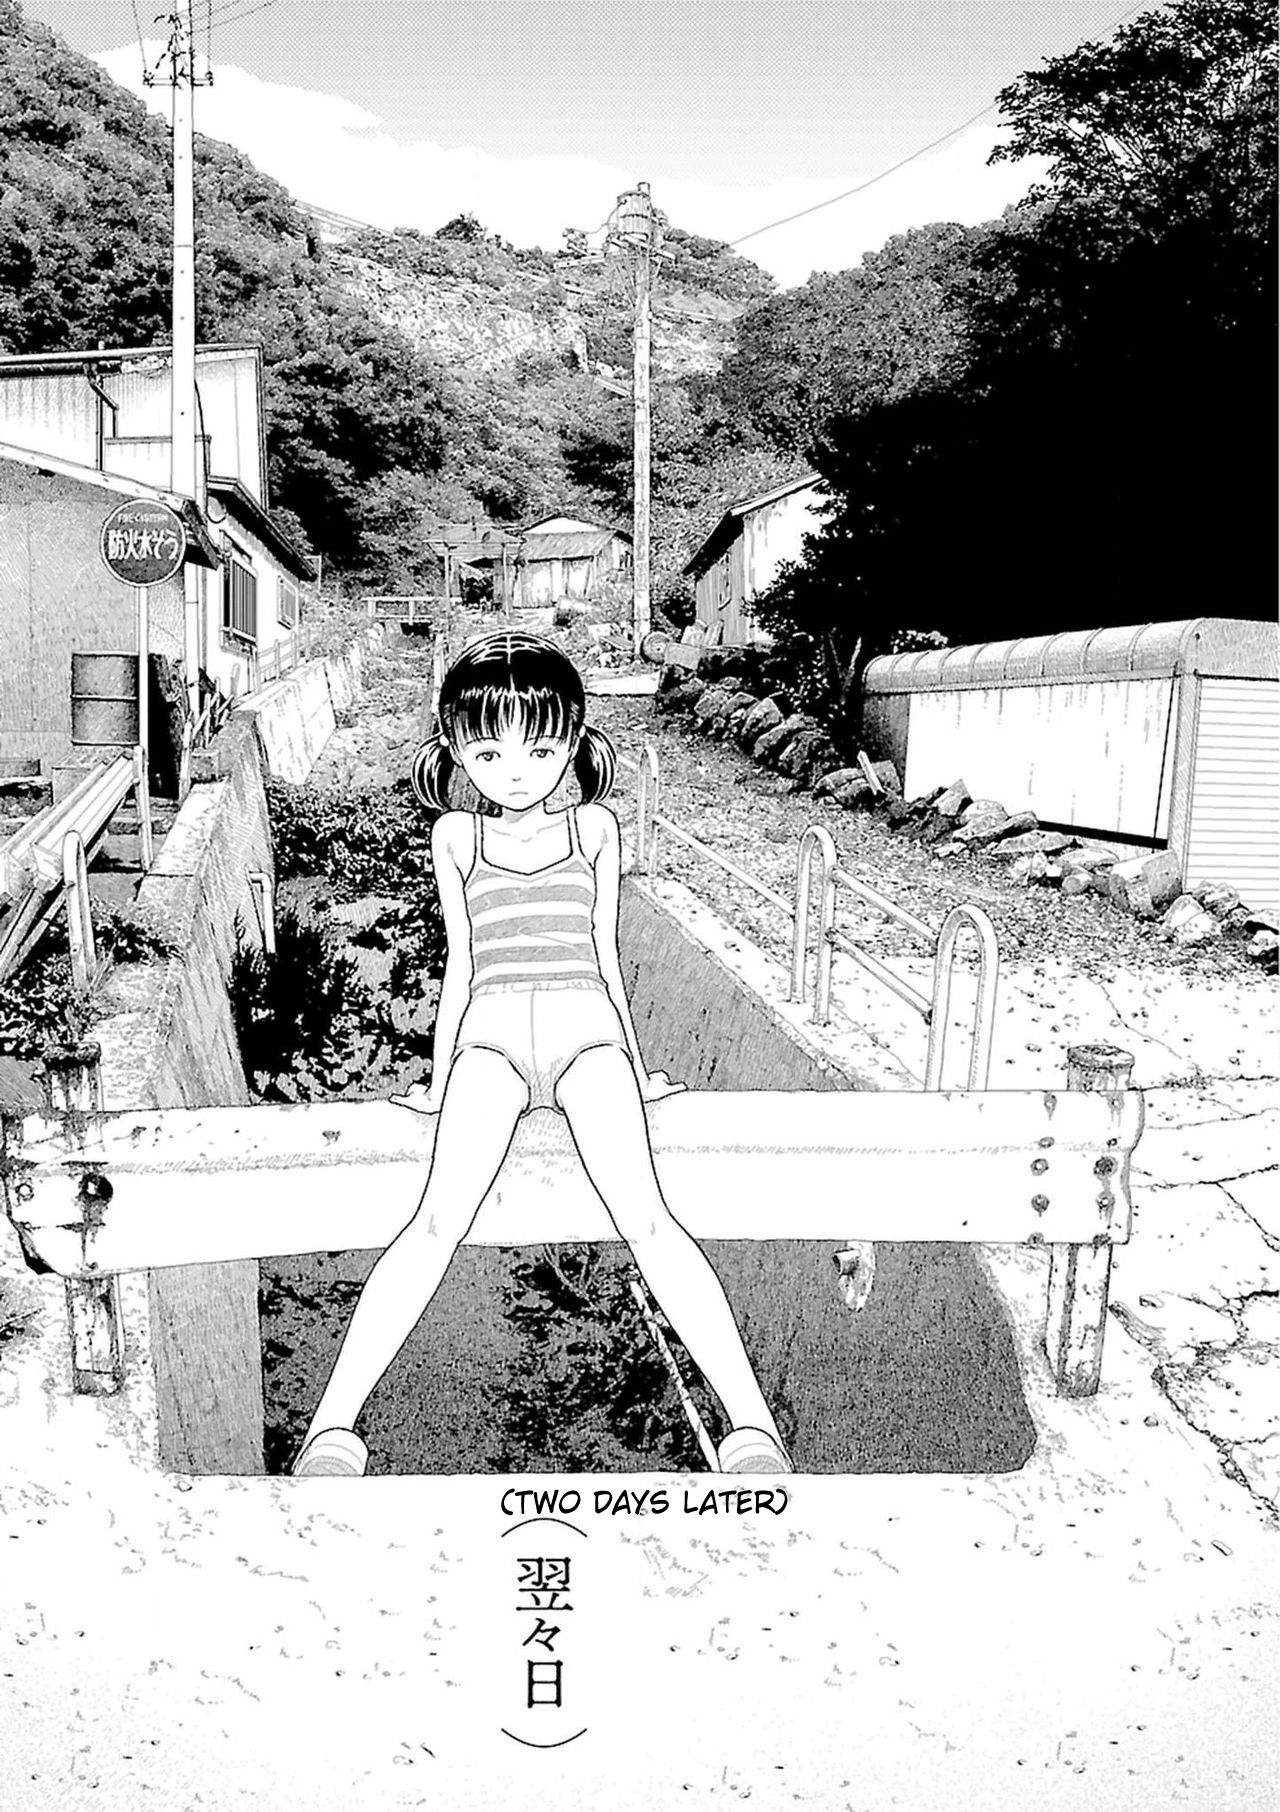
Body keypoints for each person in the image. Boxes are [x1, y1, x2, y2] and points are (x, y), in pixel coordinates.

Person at [293, 629, 791, 1478]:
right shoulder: (457, 837)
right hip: (489, 1040)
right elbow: (460, 965)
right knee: (436, 1221)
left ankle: (751, 1430)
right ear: (455, 749)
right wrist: (439, 1077)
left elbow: (606, 955)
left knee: (647, 1218)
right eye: (488, 751)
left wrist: (635, 1065)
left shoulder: (594, 827)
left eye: (541, 747)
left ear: (573, 740)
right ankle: (331, 1431)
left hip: (585, 1034)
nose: (516, 771)